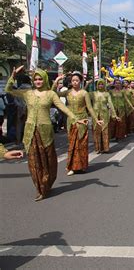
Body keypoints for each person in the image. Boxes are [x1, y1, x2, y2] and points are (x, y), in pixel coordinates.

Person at [6, 66, 86, 201]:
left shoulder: (51, 94)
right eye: (35, 79)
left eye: (40, 79)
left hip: (45, 132)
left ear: (44, 79)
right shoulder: (28, 93)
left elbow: (63, 108)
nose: (38, 81)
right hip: (30, 131)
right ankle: (40, 188)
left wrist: (76, 119)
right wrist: (12, 77)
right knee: (33, 161)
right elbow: (8, 90)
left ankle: (46, 183)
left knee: (47, 160)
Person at [53, 72, 103, 176]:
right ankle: (72, 167)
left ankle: (82, 165)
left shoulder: (84, 93)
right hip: (71, 120)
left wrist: (96, 119)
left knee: (81, 144)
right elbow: (53, 94)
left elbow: (89, 107)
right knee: (72, 144)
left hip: (83, 120)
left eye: (77, 80)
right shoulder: (67, 92)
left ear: (80, 81)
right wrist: (57, 81)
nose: (75, 82)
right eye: (73, 81)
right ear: (71, 82)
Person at [90, 79, 119, 153]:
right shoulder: (93, 93)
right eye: (99, 84)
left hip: (105, 114)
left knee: (105, 130)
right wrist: (86, 84)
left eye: (102, 84)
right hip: (95, 114)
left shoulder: (107, 94)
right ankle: (97, 148)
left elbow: (110, 104)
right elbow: (84, 94)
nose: (100, 85)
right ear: (97, 85)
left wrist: (114, 115)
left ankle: (106, 148)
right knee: (96, 130)